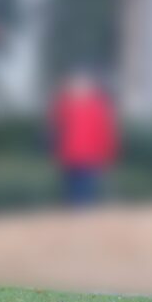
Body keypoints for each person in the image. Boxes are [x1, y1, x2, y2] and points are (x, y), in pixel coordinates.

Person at [50, 72, 118, 206]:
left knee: (86, 191)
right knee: (73, 191)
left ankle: (83, 215)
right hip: (71, 155)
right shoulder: (64, 106)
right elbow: (56, 131)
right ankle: (75, 214)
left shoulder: (97, 107)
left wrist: (108, 154)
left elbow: (105, 133)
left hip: (89, 156)